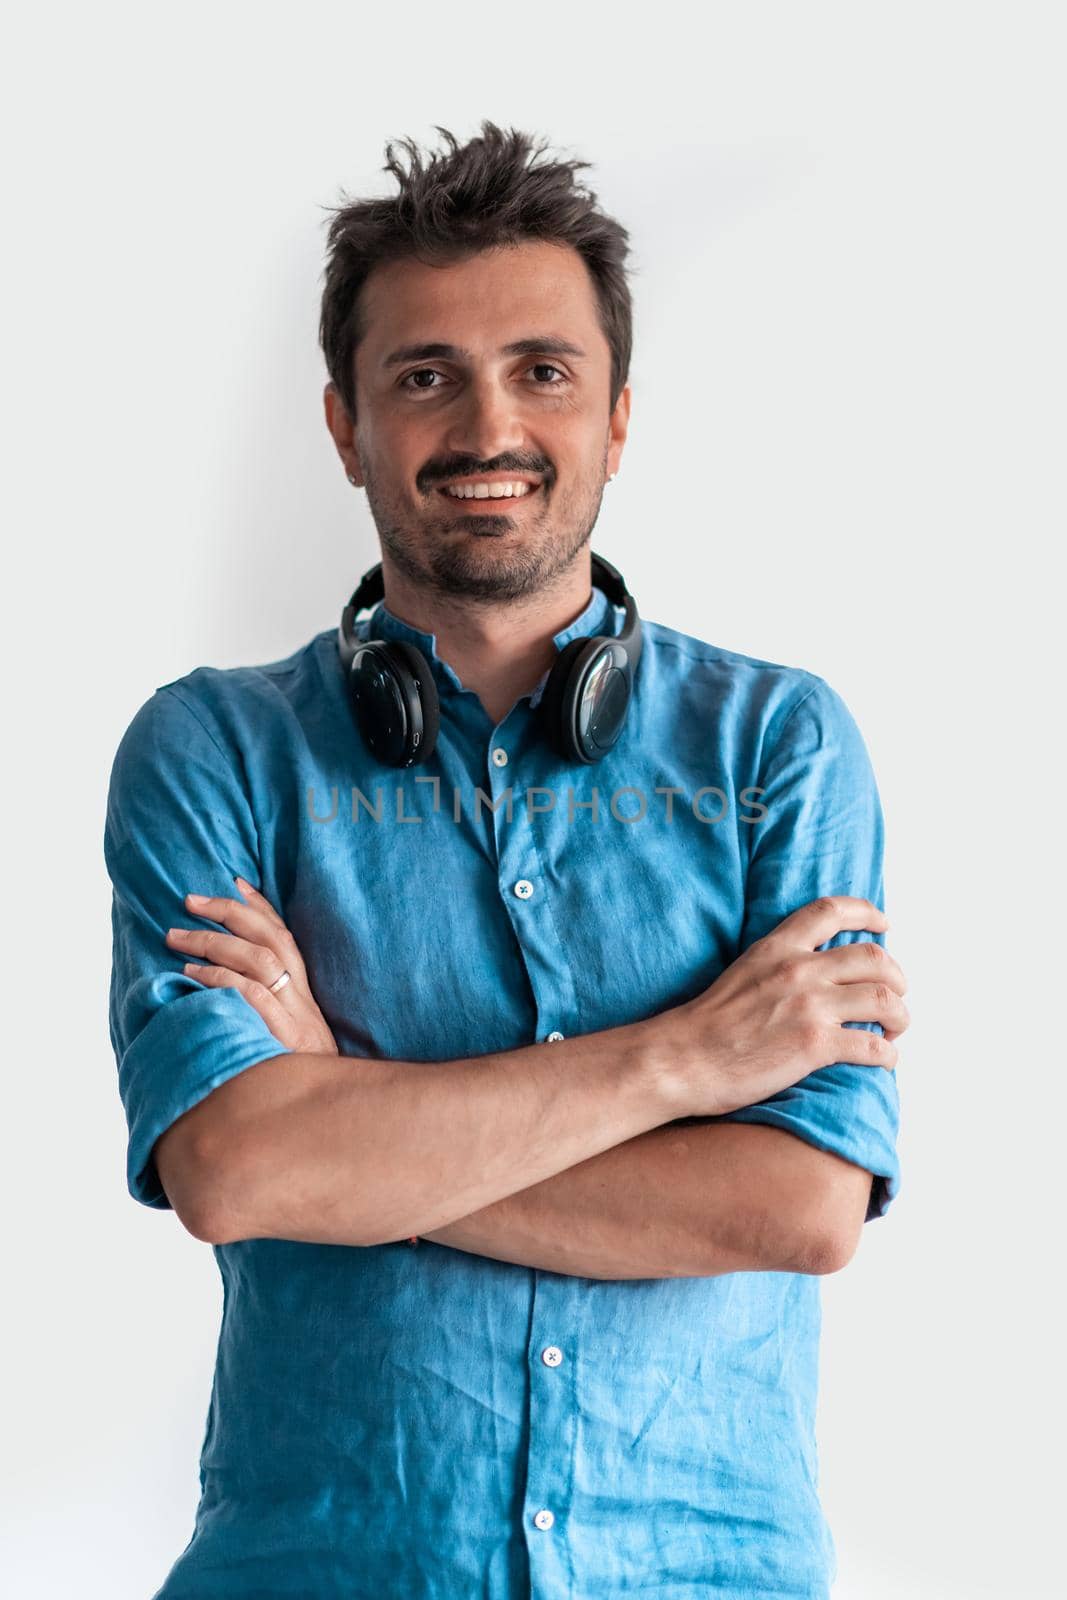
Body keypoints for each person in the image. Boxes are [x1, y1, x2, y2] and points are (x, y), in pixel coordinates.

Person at [104, 120, 907, 1600]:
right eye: (426, 377)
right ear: (345, 425)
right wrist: (685, 1063)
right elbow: (231, 1166)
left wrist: (348, 1132)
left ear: (617, 420)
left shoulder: (777, 750)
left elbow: (799, 1208)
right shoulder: (212, 753)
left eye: (543, 370)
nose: (489, 428)